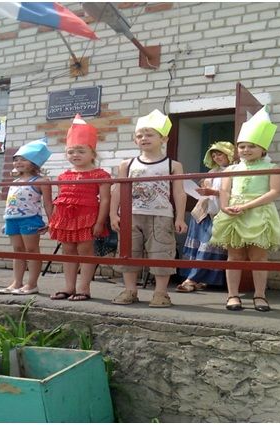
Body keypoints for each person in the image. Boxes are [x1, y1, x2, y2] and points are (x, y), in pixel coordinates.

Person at [110, 109, 188, 307]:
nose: (144, 138)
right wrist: (113, 214)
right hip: (131, 215)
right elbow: (118, 190)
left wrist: (179, 217)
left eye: (149, 134)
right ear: (135, 140)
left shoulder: (173, 165)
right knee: (129, 252)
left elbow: (179, 193)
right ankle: (130, 290)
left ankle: (161, 293)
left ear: (164, 139)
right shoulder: (127, 164)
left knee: (162, 252)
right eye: (140, 135)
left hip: (161, 216)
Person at [210, 107, 280, 312]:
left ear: (263, 149)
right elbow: (224, 190)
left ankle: (260, 295)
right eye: (242, 146)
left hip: (259, 214)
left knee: (258, 257)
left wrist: (246, 205)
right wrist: (225, 207)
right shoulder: (232, 169)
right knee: (234, 256)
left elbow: (275, 191)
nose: (246, 150)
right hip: (234, 214)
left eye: (252, 146)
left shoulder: (272, 168)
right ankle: (232, 295)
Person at [49, 114, 111, 301]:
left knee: (85, 251)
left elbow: (105, 200)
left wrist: (100, 222)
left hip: (87, 218)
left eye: (81, 151)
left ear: (93, 153)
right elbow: (60, 199)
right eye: (71, 151)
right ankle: (69, 287)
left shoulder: (101, 175)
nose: (75, 155)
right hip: (65, 219)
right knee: (68, 250)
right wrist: (54, 221)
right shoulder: (63, 176)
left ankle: (84, 288)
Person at [177, 141, 235, 293]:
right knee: (198, 248)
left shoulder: (235, 171)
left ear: (229, 154)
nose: (216, 158)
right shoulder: (212, 171)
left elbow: (235, 193)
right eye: (214, 155)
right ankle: (197, 280)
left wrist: (213, 192)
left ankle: (191, 280)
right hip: (202, 213)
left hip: (219, 213)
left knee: (209, 247)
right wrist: (202, 190)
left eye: (220, 154)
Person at [0, 137, 53, 295]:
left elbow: (48, 204)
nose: (18, 162)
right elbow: (11, 203)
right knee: (17, 250)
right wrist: (6, 220)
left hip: (30, 219)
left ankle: (32, 284)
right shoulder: (15, 181)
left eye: (23, 159)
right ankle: (17, 282)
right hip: (12, 220)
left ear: (34, 162)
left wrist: (52, 222)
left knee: (31, 250)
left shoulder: (41, 181)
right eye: (16, 160)